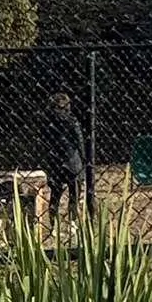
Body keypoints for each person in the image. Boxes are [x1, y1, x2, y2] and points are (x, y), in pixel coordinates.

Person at [42, 88, 89, 220]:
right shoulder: (72, 120)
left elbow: (43, 142)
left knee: (55, 195)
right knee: (74, 195)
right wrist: (84, 158)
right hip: (72, 160)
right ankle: (72, 224)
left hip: (55, 161)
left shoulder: (47, 123)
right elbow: (79, 140)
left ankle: (53, 225)